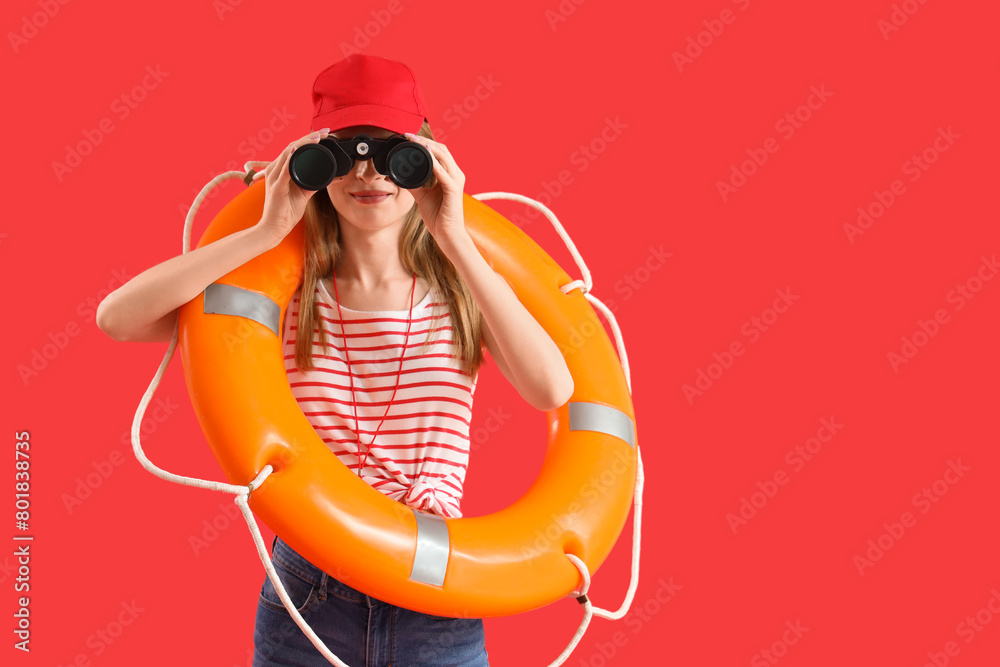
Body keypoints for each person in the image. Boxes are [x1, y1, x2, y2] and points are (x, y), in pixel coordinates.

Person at [96, 54, 574, 666]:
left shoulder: (461, 291)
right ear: (316, 164)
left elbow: (551, 389)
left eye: (393, 152)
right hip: (310, 585)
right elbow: (118, 319)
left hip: (440, 588)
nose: (370, 173)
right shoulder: (281, 298)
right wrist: (263, 232)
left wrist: (452, 232)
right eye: (347, 151)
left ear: (425, 161)